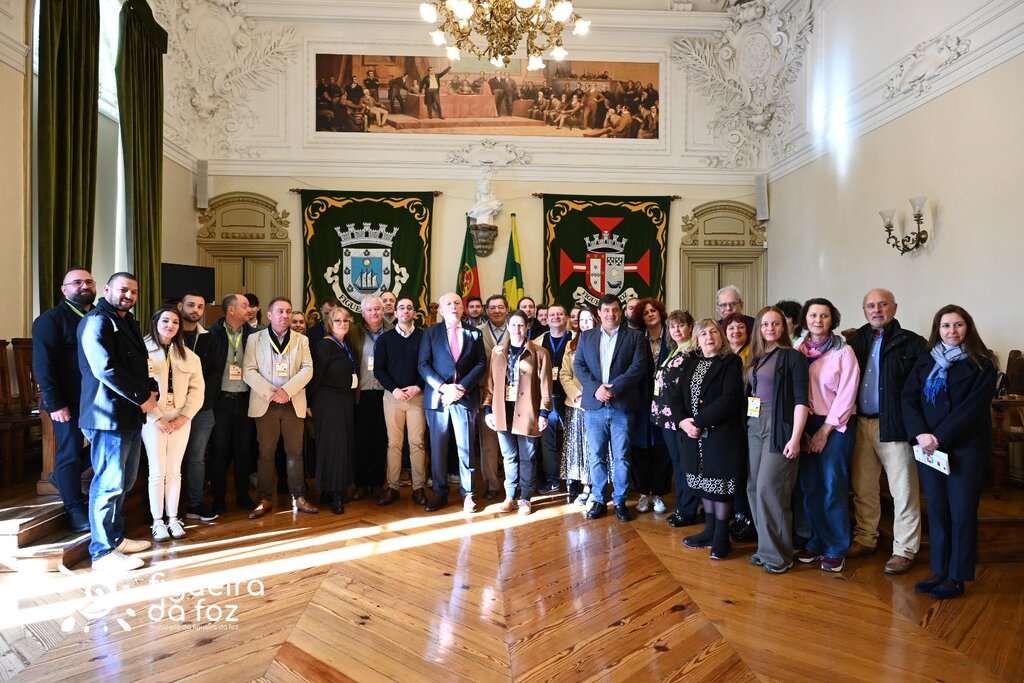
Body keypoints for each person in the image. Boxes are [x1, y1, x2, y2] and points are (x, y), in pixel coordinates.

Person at [902, 305, 997, 600]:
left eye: (958, 325)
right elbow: (908, 399)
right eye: (946, 326)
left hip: (964, 448)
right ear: (937, 329)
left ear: (968, 327)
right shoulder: (925, 361)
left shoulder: (983, 363)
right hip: (929, 448)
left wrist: (938, 437)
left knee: (961, 512)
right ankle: (940, 569)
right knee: (939, 511)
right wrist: (920, 434)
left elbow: (973, 409)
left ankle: (957, 576)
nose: (952, 331)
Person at [78, 272, 157, 571]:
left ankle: (115, 537)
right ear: (108, 289)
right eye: (123, 290)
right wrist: (142, 397)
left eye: (134, 292)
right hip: (107, 414)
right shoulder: (96, 320)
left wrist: (152, 389)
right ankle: (102, 552)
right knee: (108, 483)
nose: (129, 296)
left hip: (130, 414)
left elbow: (138, 364)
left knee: (124, 482)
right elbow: (105, 369)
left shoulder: (129, 321)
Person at [846, 289, 926, 575]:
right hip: (860, 424)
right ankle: (866, 538)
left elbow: (922, 389)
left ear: (894, 307)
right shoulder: (856, 341)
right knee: (864, 487)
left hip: (895, 426)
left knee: (903, 491)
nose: (877, 309)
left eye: (882, 304)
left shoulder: (913, 343)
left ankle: (904, 549)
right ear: (864, 310)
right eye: (871, 305)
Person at [663, 319, 745, 559]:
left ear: (721, 337)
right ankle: (709, 531)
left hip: (720, 436)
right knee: (703, 484)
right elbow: (674, 397)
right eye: (703, 334)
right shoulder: (691, 363)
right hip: (693, 435)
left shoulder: (730, 362)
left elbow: (730, 399)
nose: (709, 337)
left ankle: (722, 537)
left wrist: (697, 422)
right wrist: (683, 422)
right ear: (697, 340)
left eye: (713, 332)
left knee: (720, 486)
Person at [793, 298, 860, 572]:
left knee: (833, 485)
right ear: (805, 319)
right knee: (811, 486)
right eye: (812, 315)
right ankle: (817, 540)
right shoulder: (798, 350)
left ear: (832, 320)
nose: (818, 320)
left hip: (836, 424)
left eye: (824, 316)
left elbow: (847, 395)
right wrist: (802, 429)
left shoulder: (844, 352)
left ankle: (836, 547)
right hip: (805, 422)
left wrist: (824, 430)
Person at [744, 307, 810, 574]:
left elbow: (800, 401)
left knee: (770, 488)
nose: (770, 328)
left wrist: (795, 438)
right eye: (765, 324)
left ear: (784, 327)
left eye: (776, 324)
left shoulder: (792, 357)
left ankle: (780, 555)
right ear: (758, 328)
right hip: (754, 423)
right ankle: (765, 547)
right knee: (752, 487)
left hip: (780, 425)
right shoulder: (756, 357)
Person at [574, 294, 649, 522]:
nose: (611, 314)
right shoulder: (586, 337)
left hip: (622, 406)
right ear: (599, 314)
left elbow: (638, 368)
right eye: (606, 310)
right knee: (596, 456)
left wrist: (613, 389)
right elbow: (579, 365)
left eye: (615, 310)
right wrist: (597, 388)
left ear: (621, 311)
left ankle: (619, 500)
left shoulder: (635, 337)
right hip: (595, 406)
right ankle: (598, 499)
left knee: (622, 457)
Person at [32, 267, 96, 532]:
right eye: (77, 282)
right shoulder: (50, 320)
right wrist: (55, 402)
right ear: (64, 289)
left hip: (96, 399)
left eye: (89, 281)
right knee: (69, 452)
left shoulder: (98, 316)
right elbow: (43, 364)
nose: (84, 286)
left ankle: (60, 477)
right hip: (65, 401)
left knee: (103, 446)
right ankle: (74, 509)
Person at [243, 297, 317, 519]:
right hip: (266, 403)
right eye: (280, 311)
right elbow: (248, 370)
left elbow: (308, 368)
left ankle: (298, 496)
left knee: (295, 453)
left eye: (288, 311)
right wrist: (272, 393)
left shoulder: (301, 340)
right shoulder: (255, 339)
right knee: (266, 453)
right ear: (269, 315)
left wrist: (287, 391)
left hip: (292, 402)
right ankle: (265, 498)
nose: (285, 315)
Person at [418, 292, 487, 512]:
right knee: (438, 449)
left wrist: (461, 387)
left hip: (464, 398)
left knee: (466, 448)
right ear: (440, 310)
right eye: (448, 303)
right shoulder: (430, 333)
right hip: (438, 400)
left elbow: (480, 364)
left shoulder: (474, 334)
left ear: (463, 307)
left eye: (457, 303)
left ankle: (468, 494)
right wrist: (444, 387)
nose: (454, 307)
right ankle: (439, 493)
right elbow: (423, 364)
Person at [142, 306, 204, 541]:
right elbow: (138, 389)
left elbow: (197, 391)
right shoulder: (143, 350)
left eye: (175, 322)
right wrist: (156, 417)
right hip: (152, 419)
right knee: (157, 471)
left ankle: (173, 518)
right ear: (156, 322)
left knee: (174, 471)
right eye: (165, 321)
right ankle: (157, 522)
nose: (170, 326)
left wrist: (184, 417)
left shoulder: (189, 356)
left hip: (180, 420)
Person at [482, 311, 553, 515]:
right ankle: (510, 496)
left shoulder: (540, 353)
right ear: (507, 326)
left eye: (521, 325)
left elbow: (546, 386)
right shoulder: (497, 352)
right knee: (508, 456)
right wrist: (488, 409)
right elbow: (490, 385)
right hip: (503, 410)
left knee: (527, 457)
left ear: (527, 327)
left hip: (528, 409)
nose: (517, 329)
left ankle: (525, 498)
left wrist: (544, 413)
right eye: (513, 325)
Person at [206, 294, 258, 514]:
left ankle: (243, 495)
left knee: (245, 450)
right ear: (231, 310)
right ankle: (219, 498)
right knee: (219, 451)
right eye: (244, 306)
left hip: (246, 400)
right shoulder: (211, 334)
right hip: (222, 402)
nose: (249, 310)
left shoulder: (254, 336)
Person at [650, 309, 702, 528]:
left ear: (690, 327)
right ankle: (683, 506)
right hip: (666, 418)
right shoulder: (675, 350)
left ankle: (687, 510)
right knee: (677, 464)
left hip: (680, 418)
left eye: (681, 325)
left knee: (685, 465)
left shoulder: (693, 352)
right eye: (672, 326)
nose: (677, 330)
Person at [373, 297, 427, 506]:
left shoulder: (424, 337)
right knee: (394, 444)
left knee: (417, 443)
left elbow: (428, 365)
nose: (405, 311)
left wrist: (418, 386)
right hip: (393, 397)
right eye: (401, 308)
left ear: (414, 313)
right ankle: (393, 487)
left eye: (409, 307)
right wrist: (394, 389)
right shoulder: (385, 339)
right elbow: (379, 369)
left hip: (417, 397)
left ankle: (419, 487)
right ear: (395, 313)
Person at [176, 292, 221, 522]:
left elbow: (214, 375)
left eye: (200, 306)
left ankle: (195, 504)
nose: (196, 310)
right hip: (172, 409)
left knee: (196, 457)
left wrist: (199, 402)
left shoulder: (210, 338)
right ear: (180, 306)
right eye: (191, 305)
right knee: (171, 460)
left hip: (202, 410)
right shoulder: (169, 334)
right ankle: (168, 509)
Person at [308, 307, 357, 515]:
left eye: (346, 320)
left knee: (341, 446)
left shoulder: (346, 344)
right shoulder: (325, 345)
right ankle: (335, 495)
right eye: (338, 321)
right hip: (328, 402)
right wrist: (309, 404)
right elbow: (315, 376)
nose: (343, 324)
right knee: (333, 447)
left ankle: (333, 490)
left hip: (344, 401)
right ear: (330, 323)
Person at [346, 296, 393, 500]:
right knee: (361, 439)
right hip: (361, 394)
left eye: (377, 309)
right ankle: (361, 484)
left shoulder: (393, 331)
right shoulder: (353, 332)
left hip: (386, 393)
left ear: (383, 311)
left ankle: (377, 483)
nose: (374, 313)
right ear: (362, 313)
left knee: (381, 439)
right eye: (369, 310)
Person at [630, 298, 672, 514]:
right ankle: (644, 494)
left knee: (662, 447)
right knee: (641, 446)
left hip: (668, 400)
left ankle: (659, 494)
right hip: (642, 399)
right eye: (645, 313)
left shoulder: (671, 335)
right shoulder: (637, 338)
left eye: (653, 311)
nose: (650, 315)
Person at [560, 306, 599, 506]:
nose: (585, 323)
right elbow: (564, 374)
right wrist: (578, 396)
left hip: (597, 404)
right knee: (579, 448)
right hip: (576, 404)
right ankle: (583, 486)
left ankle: (596, 487)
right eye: (582, 320)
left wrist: (592, 396)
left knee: (595, 448)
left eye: (589, 319)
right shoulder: (571, 345)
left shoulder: (604, 343)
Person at [536, 304, 571, 495]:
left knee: (572, 440)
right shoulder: (538, 342)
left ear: (565, 317)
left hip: (570, 399)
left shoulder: (576, 339)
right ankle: (552, 480)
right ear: (546, 319)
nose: (556, 317)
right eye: (552, 315)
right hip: (547, 400)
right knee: (547, 442)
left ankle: (574, 480)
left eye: (560, 314)